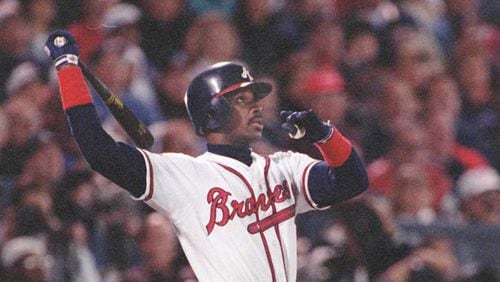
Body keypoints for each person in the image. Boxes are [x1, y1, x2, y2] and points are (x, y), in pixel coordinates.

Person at [44, 30, 368, 281]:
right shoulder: (185, 175)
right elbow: (99, 150)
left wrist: (327, 137)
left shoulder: (285, 166)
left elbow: (352, 181)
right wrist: (68, 70)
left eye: (254, 98)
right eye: (242, 99)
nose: (256, 106)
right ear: (213, 113)